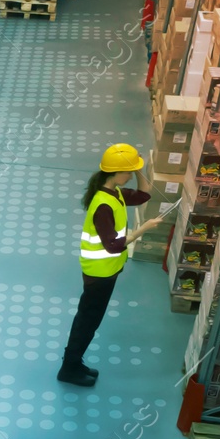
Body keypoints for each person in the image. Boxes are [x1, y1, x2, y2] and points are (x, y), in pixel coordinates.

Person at [59, 143, 165, 387]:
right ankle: (69, 368)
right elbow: (114, 245)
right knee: (87, 321)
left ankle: (75, 363)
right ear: (116, 173)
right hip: (99, 273)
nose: (130, 176)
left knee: (89, 320)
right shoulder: (103, 205)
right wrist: (144, 228)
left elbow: (143, 195)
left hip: (107, 269)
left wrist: (140, 168)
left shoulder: (113, 192)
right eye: (128, 172)